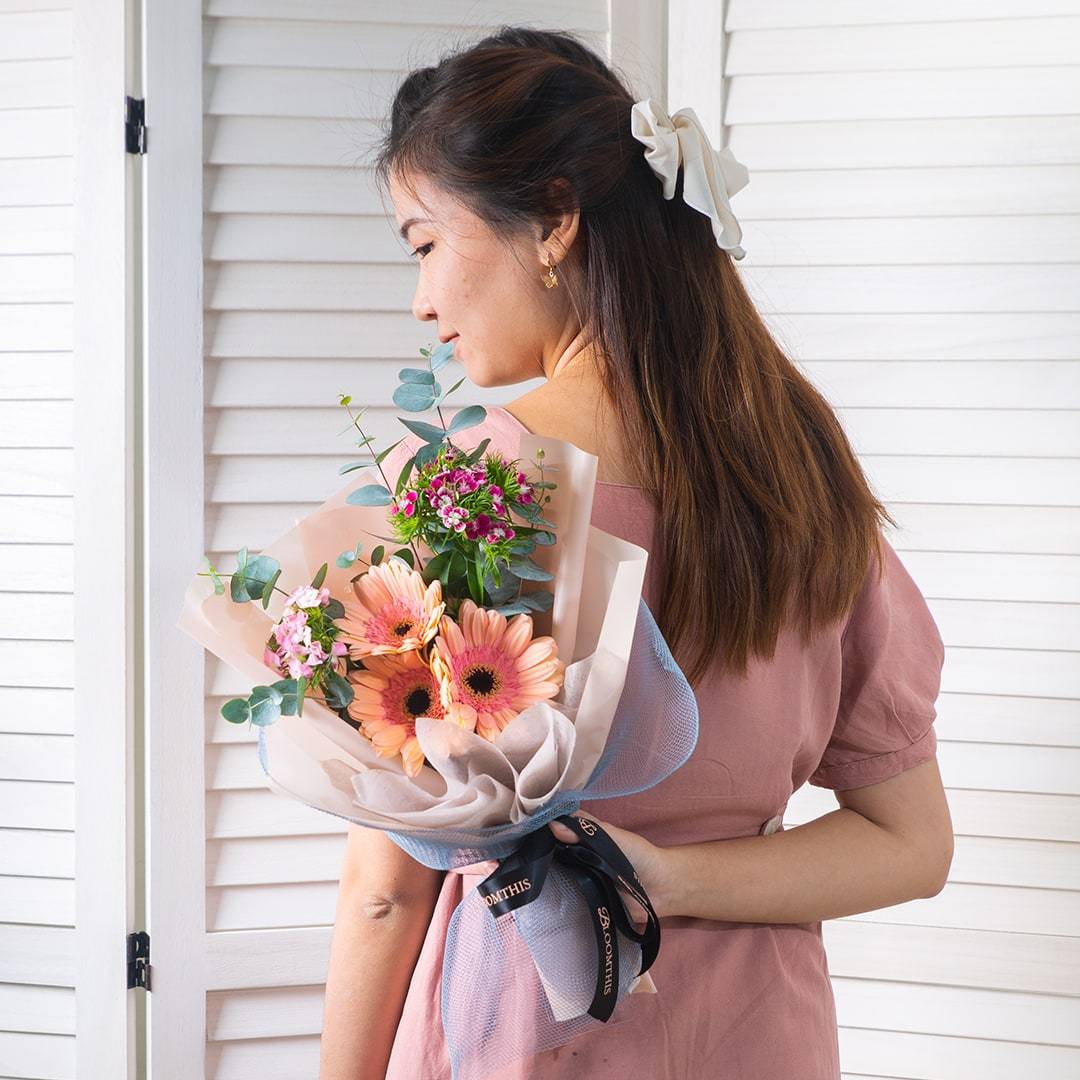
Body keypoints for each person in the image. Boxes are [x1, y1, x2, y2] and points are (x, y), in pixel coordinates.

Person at [318, 26, 954, 1080]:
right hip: (762, 1040)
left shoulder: (477, 493)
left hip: (536, 1031)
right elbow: (911, 844)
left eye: (426, 243)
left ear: (554, 220)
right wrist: (669, 877)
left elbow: (386, 889)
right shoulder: (804, 477)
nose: (421, 302)